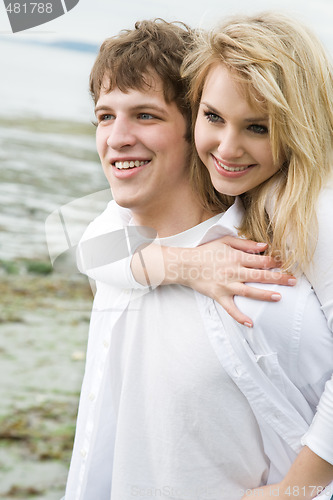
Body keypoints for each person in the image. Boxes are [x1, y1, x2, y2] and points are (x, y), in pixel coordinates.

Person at [74, 12, 333, 500]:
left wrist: (296, 491)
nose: (115, 138)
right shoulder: (125, 236)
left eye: (145, 114)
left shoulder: (279, 250)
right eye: (105, 116)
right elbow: (89, 249)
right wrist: (184, 264)